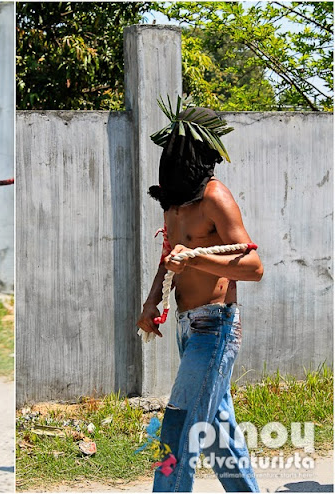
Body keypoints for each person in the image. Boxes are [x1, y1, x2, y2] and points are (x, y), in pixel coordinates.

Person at [136, 105, 263, 492]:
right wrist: (151, 301)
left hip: (215, 326)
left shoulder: (215, 198)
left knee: (180, 423)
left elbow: (253, 265)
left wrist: (197, 257)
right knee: (218, 431)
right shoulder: (175, 203)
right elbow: (168, 256)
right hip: (187, 328)